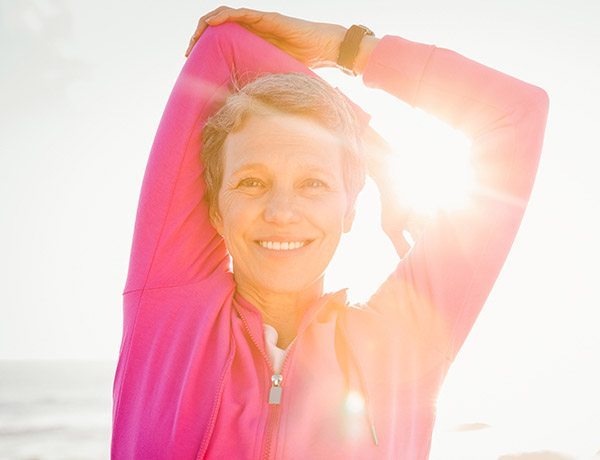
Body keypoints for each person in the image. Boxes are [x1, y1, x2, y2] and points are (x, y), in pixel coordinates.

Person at [112, 7, 548, 459]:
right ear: (216, 210)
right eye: (251, 182)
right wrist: (376, 158)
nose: (281, 212)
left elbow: (518, 114)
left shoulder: (405, 340)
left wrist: (349, 48)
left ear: (349, 210)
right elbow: (222, 50)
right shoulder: (169, 316)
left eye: (313, 183)